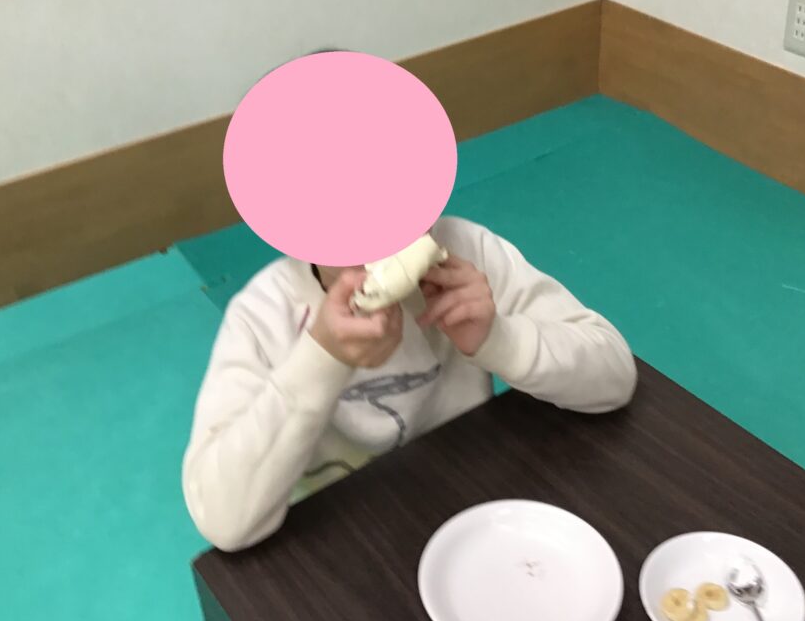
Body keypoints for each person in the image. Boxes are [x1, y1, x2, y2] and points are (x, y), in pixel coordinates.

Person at [182, 216, 638, 552]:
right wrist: (320, 359)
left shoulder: (467, 252)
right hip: (345, 544)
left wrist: (499, 338)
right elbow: (222, 519)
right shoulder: (264, 315)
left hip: (477, 515)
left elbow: (615, 374)